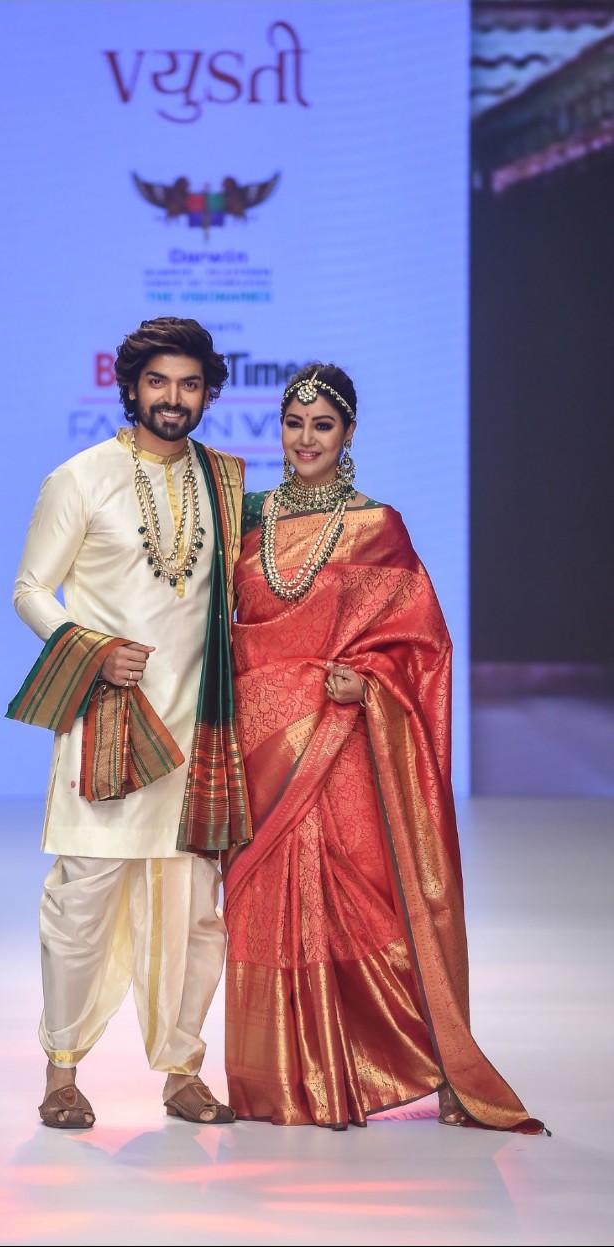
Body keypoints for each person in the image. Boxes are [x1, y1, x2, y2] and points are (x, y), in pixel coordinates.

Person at [223, 362, 546, 1134]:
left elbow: (421, 643)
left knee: (350, 902)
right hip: (260, 745)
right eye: (294, 423)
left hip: (340, 746)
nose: (305, 439)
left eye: (322, 425)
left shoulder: (377, 526)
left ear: (348, 434)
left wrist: (366, 679)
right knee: (264, 901)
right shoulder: (246, 518)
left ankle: (366, 1066)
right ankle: (274, 1078)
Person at [7, 316, 251, 1129]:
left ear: (207, 393)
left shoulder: (224, 482)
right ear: (131, 387)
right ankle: (61, 1073)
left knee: (195, 913)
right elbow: (30, 589)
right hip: (112, 727)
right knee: (81, 904)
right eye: (158, 382)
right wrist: (91, 648)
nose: (173, 398)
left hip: (198, 733)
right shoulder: (80, 478)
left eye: (189, 384)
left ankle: (182, 1071)